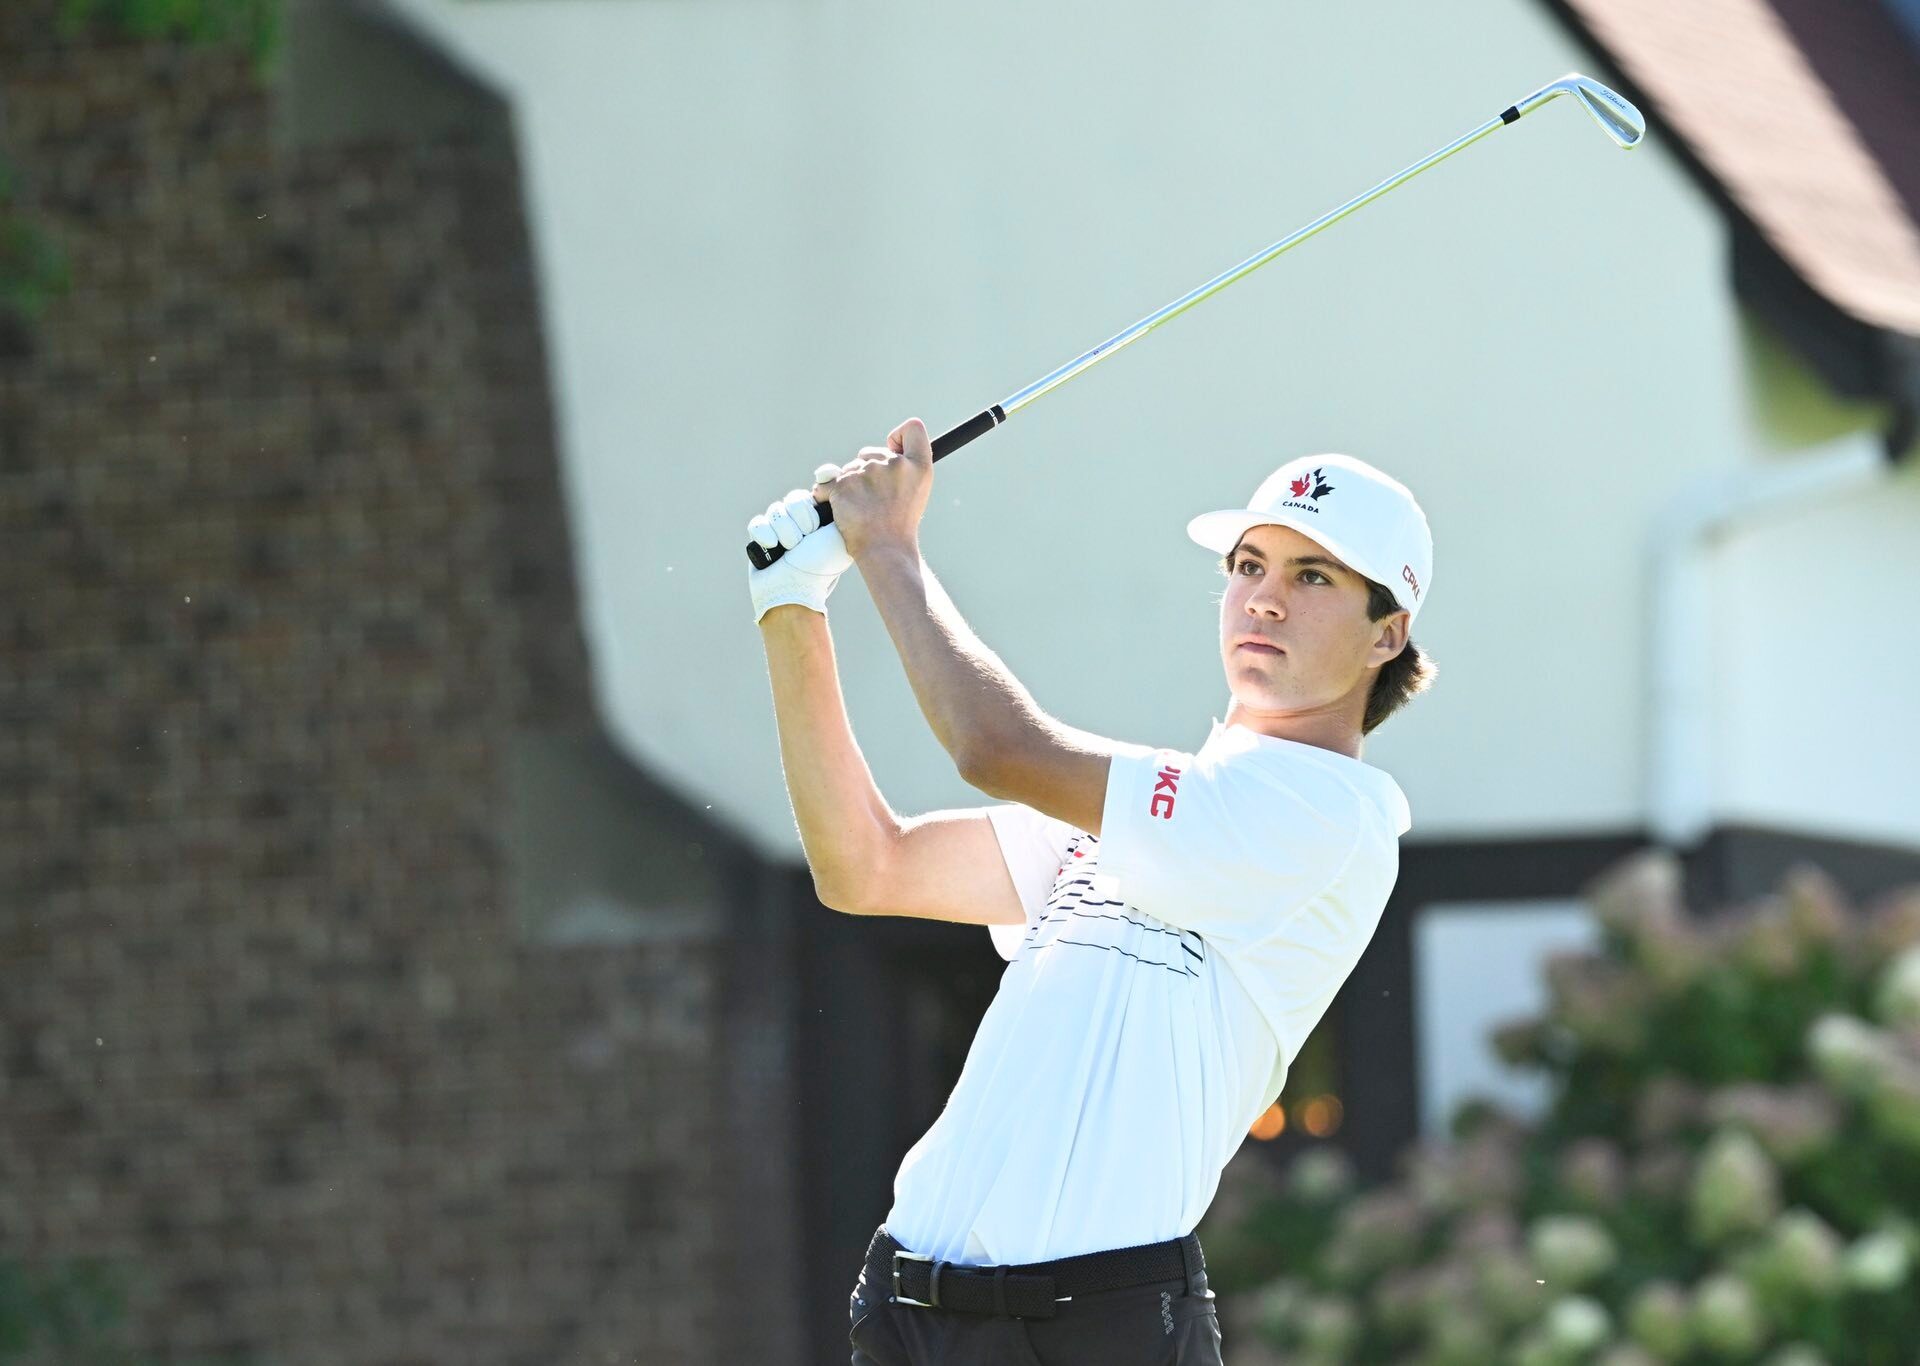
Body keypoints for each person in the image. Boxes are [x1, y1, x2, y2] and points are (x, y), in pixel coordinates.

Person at [748, 418, 1437, 1366]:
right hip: (914, 1314)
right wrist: (792, 603)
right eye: (1248, 565)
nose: (1263, 601)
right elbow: (867, 866)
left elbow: (997, 749)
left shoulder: (1333, 818)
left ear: (1386, 634)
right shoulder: (1148, 806)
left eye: (1312, 577)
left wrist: (891, 553)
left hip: (1089, 1331)